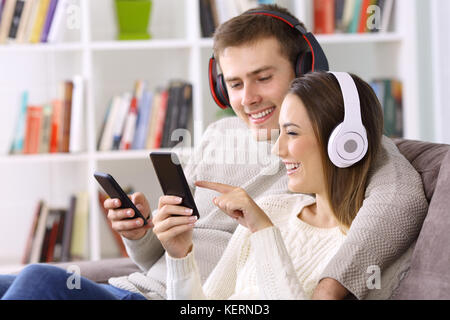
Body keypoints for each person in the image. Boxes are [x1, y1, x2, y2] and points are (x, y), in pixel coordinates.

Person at [0, 4, 427, 300]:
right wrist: (143, 236)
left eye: (263, 78)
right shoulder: (218, 136)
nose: (249, 98)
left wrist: (333, 285)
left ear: (304, 69)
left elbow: (403, 197)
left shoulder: (340, 146)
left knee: (37, 277)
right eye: (235, 84)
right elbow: (167, 253)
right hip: (140, 286)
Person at [156, 71, 384, 299]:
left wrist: (264, 232)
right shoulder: (271, 208)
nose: (277, 149)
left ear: (346, 143)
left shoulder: (357, 248)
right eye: (281, 132)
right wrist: (180, 256)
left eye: (292, 133)